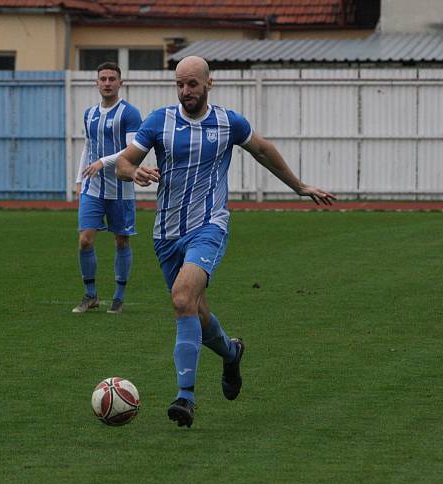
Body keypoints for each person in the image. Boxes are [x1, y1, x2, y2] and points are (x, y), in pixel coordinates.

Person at [116, 56, 335, 428]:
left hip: (209, 226)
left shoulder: (228, 122)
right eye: (180, 85)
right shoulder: (159, 121)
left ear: (208, 84)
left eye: (192, 85)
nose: (185, 92)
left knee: (183, 298)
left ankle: (185, 399)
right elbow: (123, 162)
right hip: (166, 234)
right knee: (196, 313)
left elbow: (263, 149)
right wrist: (135, 171)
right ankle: (231, 352)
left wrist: (299, 186)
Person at [72, 62, 143, 314]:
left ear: (120, 83)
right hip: (93, 188)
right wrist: (79, 180)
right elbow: (87, 147)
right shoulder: (89, 113)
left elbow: (132, 150)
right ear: (96, 82)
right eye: (103, 78)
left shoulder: (129, 113)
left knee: (121, 241)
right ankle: (90, 295)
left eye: (112, 78)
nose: (107, 83)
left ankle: (119, 297)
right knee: (85, 240)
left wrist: (103, 162)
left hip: (121, 189)